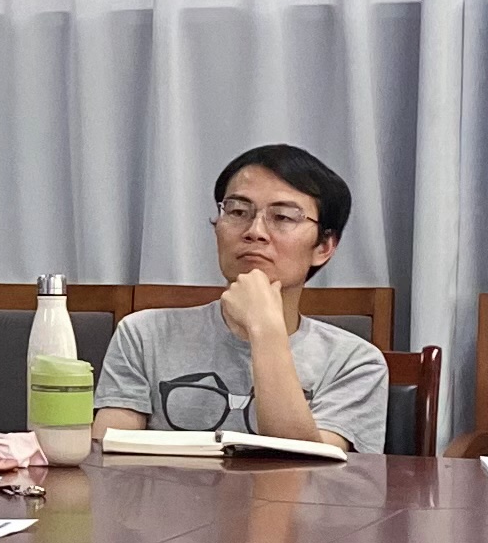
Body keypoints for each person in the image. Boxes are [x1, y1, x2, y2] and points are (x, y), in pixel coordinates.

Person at [94, 144, 393, 450]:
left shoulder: (354, 363)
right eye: (237, 211)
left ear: (324, 247)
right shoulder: (145, 335)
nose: (255, 231)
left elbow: (305, 469)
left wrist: (265, 330)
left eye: (283, 217)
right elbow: (108, 458)